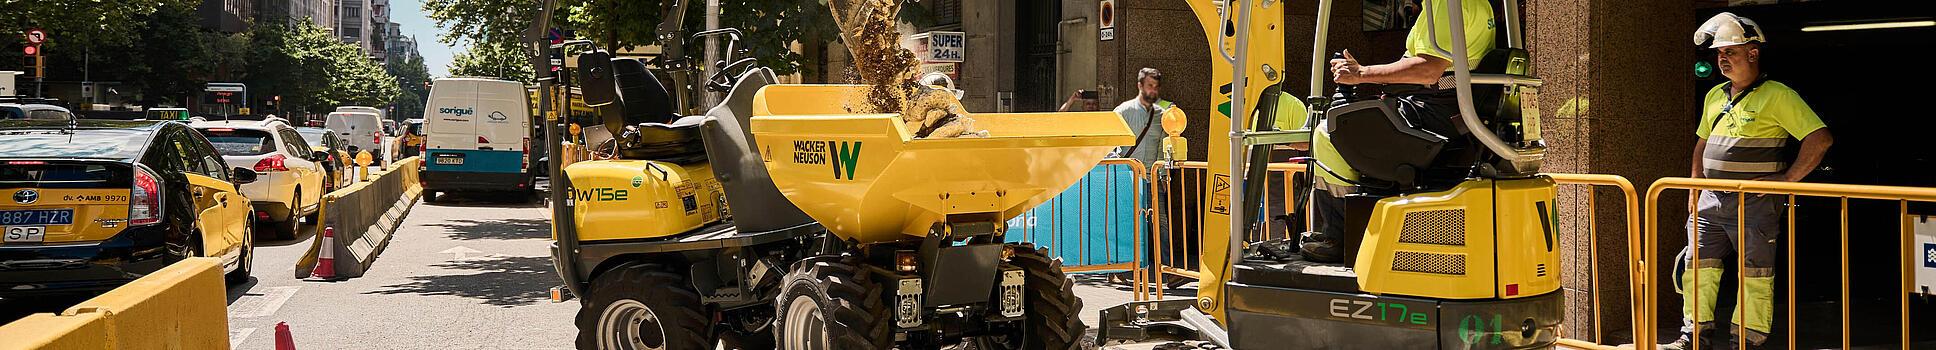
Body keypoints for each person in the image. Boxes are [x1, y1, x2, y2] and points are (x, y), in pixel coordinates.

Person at [1663, 13, 1833, 350]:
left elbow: (1820, 138)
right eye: (1719, 54)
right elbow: (1701, 144)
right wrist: (1694, 188)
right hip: (1709, 201)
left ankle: (1747, 342)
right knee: (1697, 270)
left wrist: (1786, 179)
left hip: (1754, 204)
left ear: (1752, 54)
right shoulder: (1714, 95)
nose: (1722, 59)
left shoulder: (1778, 95)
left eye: (1731, 52)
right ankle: (1693, 337)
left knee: (1755, 275)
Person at [1302, 0, 1495, 262]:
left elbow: (1428, 70)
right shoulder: (1479, 5)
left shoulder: (1444, 4)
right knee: (1357, 120)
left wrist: (1360, 73)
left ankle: (1339, 237)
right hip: (1452, 116)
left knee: (1328, 131)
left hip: (1431, 117)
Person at [1111, 68, 1173, 166]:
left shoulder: (1162, 114)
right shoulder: (1123, 111)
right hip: (1128, 175)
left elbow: (1163, 147)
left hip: (1152, 177)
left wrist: (1163, 174)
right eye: (1150, 86)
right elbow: (1109, 146)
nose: (1153, 90)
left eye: (1156, 87)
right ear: (1140, 86)